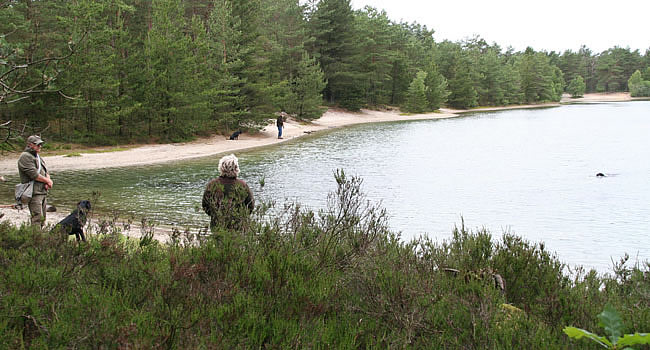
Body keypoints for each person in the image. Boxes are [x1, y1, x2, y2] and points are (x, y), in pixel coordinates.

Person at [202, 154, 254, 231]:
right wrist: (241, 217)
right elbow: (250, 205)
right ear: (236, 169)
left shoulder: (212, 184)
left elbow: (205, 205)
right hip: (238, 226)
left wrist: (215, 215)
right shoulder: (243, 185)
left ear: (221, 168)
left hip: (217, 225)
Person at [17, 135, 53, 227]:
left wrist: (48, 181)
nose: (40, 146)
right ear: (30, 145)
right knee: (37, 218)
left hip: (42, 192)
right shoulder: (25, 157)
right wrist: (47, 181)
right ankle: (35, 239)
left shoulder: (38, 157)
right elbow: (34, 174)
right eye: (37, 144)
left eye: (40, 144)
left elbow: (45, 171)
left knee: (42, 219)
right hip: (33, 193)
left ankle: (40, 239)